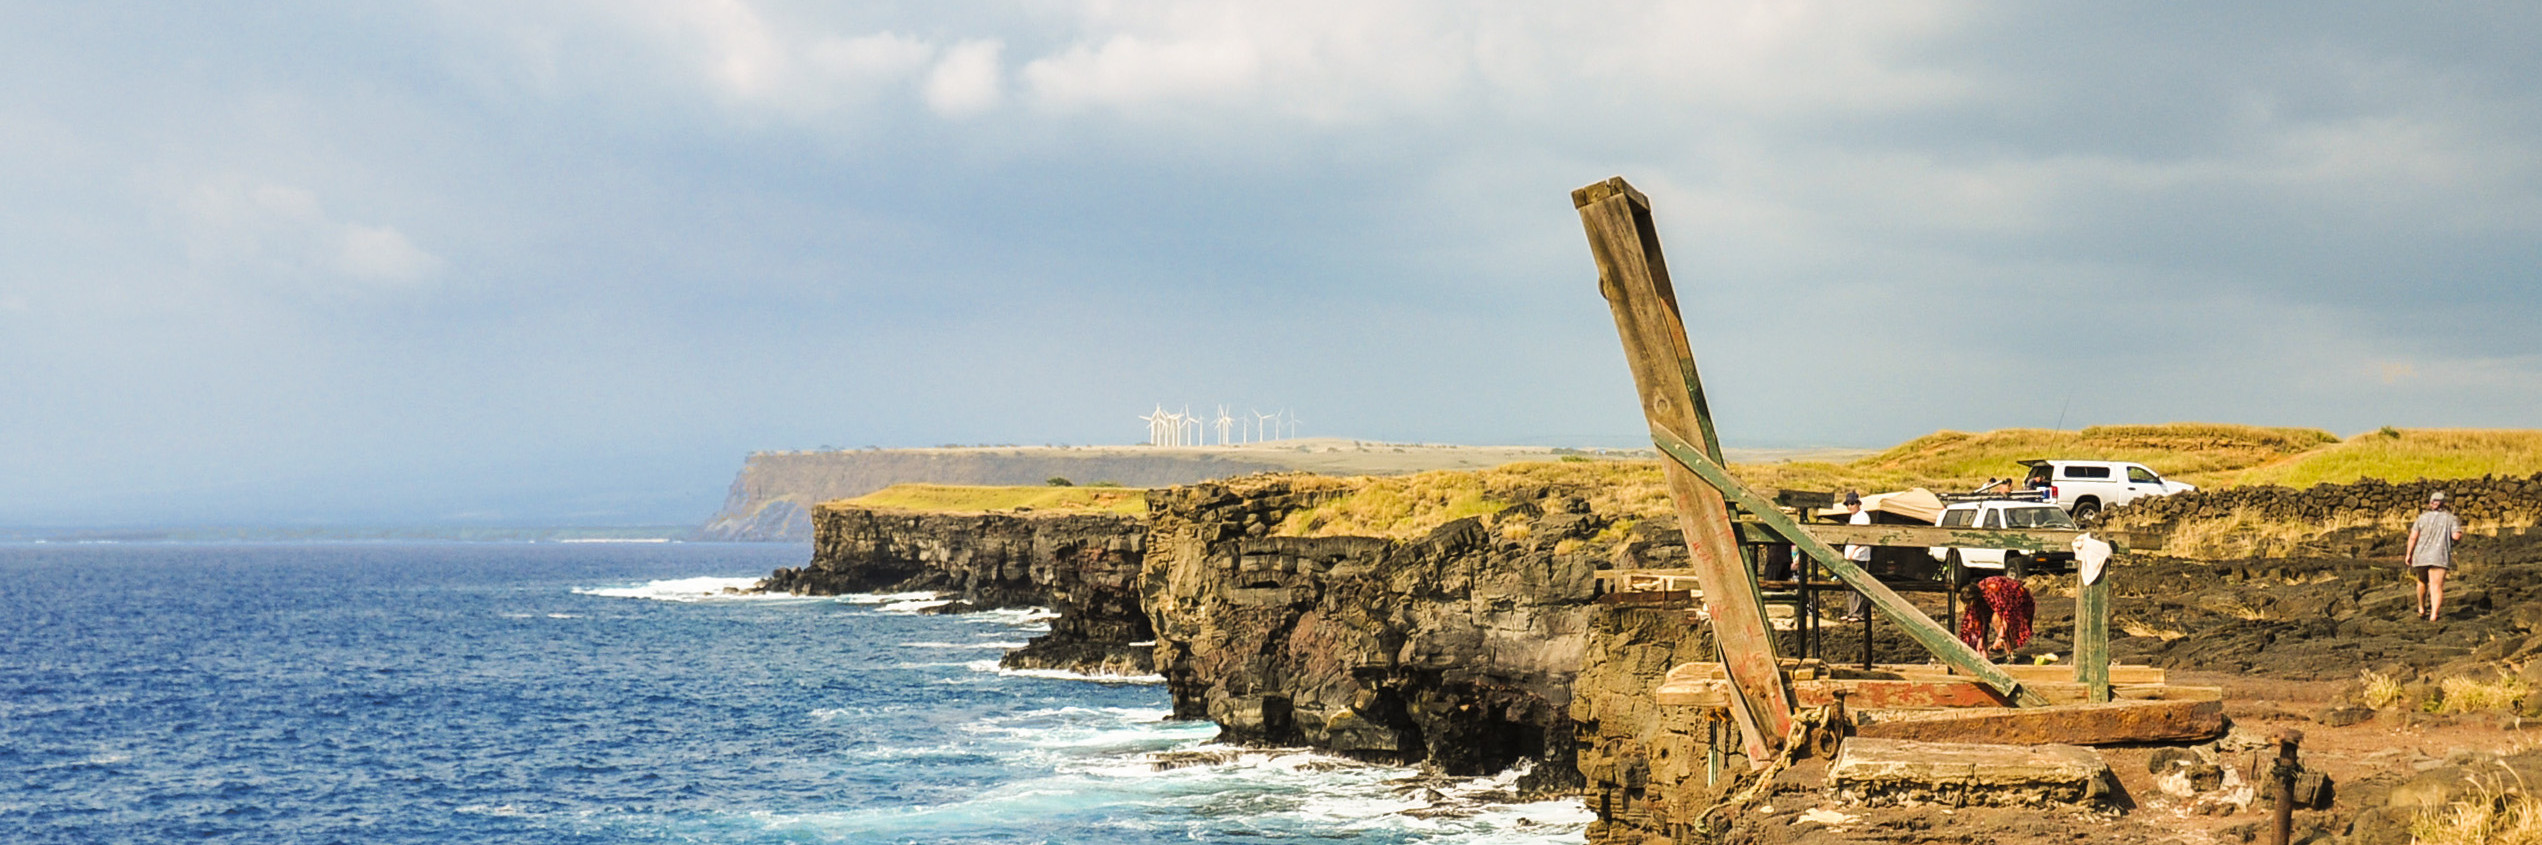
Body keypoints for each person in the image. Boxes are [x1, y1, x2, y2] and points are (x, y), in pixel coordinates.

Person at [2407, 491, 2466, 622]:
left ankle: (2421, 608)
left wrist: (2408, 554)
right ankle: (2434, 615)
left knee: (2422, 581)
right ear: (2443, 503)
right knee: (2436, 586)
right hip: (2439, 555)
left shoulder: (2422, 518)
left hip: (2421, 554)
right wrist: (2454, 540)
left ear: (2430, 503)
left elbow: (2413, 537)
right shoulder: (2451, 518)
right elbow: (2456, 536)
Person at [1958, 575, 2035, 662]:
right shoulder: (1976, 602)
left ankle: (2011, 653)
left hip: (2018, 600)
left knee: (1996, 620)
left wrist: (2000, 637)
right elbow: (1980, 622)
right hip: (2000, 606)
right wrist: (1981, 641)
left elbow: (2007, 613)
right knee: (1977, 626)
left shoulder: (1994, 589)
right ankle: (1986, 657)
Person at [1841, 491, 1872, 622]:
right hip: (1851, 555)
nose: (1850, 506)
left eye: (1852, 503)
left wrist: (1854, 550)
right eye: (1848, 504)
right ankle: (1852, 611)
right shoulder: (1853, 517)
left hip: (1859, 556)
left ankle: (1858, 613)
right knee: (1849, 585)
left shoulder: (1863, 517)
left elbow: (1863, 536)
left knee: (1858, 585)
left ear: (1858, 503)